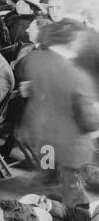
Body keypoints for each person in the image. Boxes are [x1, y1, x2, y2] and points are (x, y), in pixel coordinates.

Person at [16, 19, 99, 206]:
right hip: (71, 147)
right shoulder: (77, 76)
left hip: (42, 139)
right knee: (76, 195)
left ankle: (47, 208)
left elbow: (29, 90)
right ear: (73, 41)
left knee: (48, 181)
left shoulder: (34, 59)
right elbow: (90, 122)